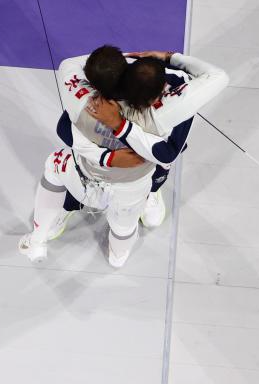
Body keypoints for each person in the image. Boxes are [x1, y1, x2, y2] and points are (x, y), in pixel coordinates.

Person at [19, 48, 228, 267]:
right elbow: (218, 77)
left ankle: (38, 236)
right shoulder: (161, 115)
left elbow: (65, 123)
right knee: (124, 227)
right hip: (131, 189)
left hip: (84, 175)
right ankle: (117, 257)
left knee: (54, 164)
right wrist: (168, 58)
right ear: (157, 96)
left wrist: (105, 157)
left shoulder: (81, 99)